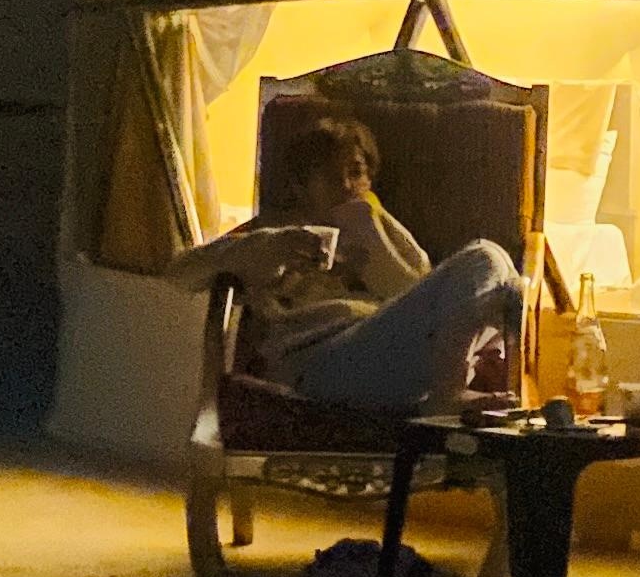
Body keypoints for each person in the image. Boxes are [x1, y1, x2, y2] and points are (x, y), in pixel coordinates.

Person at [167, 107, 522, 409]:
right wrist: (274, 244)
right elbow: (180, 272)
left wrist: (372, 240)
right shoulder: (275, 231)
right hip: (320, 363)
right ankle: (449, 393)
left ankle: (447, 389)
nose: (346, 186)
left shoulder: (380, 227)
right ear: (300, 186)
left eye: (356, 173)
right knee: (483, 259)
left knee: (498, 267)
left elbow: (428, 297)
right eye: (329, 175)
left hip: (397, 353)